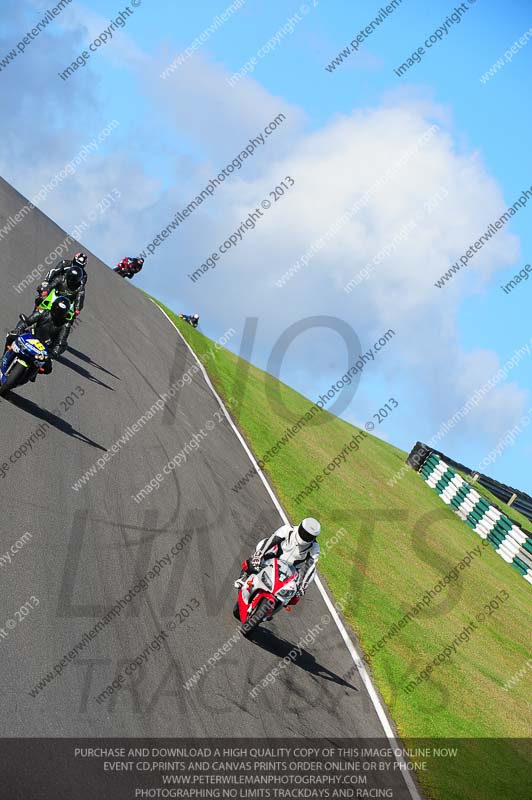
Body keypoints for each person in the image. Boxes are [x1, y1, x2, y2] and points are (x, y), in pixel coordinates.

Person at [234, 518, 321, 599]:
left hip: (292, 571)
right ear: (300, 527)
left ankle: (275, 606)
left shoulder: (315, 547)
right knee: (261, 547)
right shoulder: (288, 529)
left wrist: (302, 586)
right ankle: (244, 576)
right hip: (274, 558)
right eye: (304, 533)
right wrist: (259, 555)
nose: (305, 536)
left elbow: (311, 566)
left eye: (308, 536)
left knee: (296, 593)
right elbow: (272, 540)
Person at [4, 295, 71, 379]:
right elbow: (28, 321)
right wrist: (19, 329)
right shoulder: (43, 312)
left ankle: (32, 373)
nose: (58, 312)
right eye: (57, 309)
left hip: (45, 347)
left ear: (65, 314)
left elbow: (61, 341)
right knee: (11, 336)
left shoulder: (65, 325)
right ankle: (5, 355)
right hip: (30, 336)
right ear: (53, 306)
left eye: (61, 312)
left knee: (47, 369)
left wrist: (54, 353)